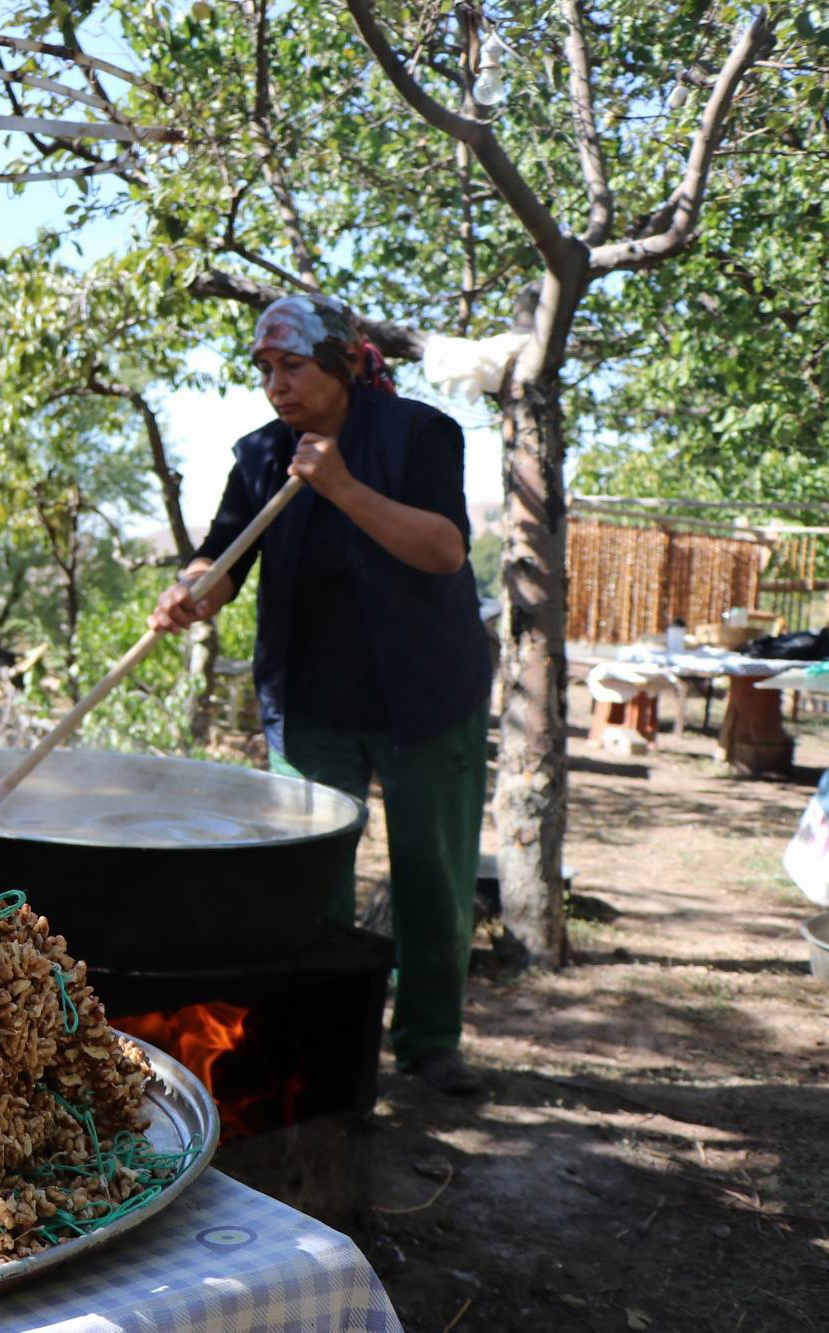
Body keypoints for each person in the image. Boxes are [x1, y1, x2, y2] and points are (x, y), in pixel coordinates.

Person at [149, 294, 492, 1097]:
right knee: (310, 882)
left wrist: (338, 487)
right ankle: (315, 1043)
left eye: (292, 366)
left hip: (426, 696)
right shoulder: (265, 455)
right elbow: (223, 558)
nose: (277, 385)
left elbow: (444, 549)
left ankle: (430, 1039)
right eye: (265, 369)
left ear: (341, 360)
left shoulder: (419, 434)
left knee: (431, 874)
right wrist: (191, 589)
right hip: (311, 707)